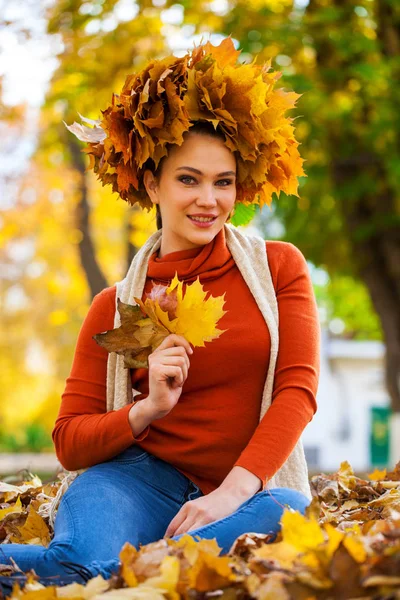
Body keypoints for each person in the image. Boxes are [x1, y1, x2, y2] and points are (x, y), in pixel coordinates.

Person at [0, 38, 320, 587]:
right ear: (153, 184)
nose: (208, 200)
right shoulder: (117, 305)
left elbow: (298, 391)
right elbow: (69, 439)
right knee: (77, 565)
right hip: (135, 481)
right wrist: (147, 411)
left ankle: (129, 573)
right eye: (188, 180)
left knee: (284, 513)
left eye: (223, 183)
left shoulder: (278, 269)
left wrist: (232, 492)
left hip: (245, 494)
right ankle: (129, 571)